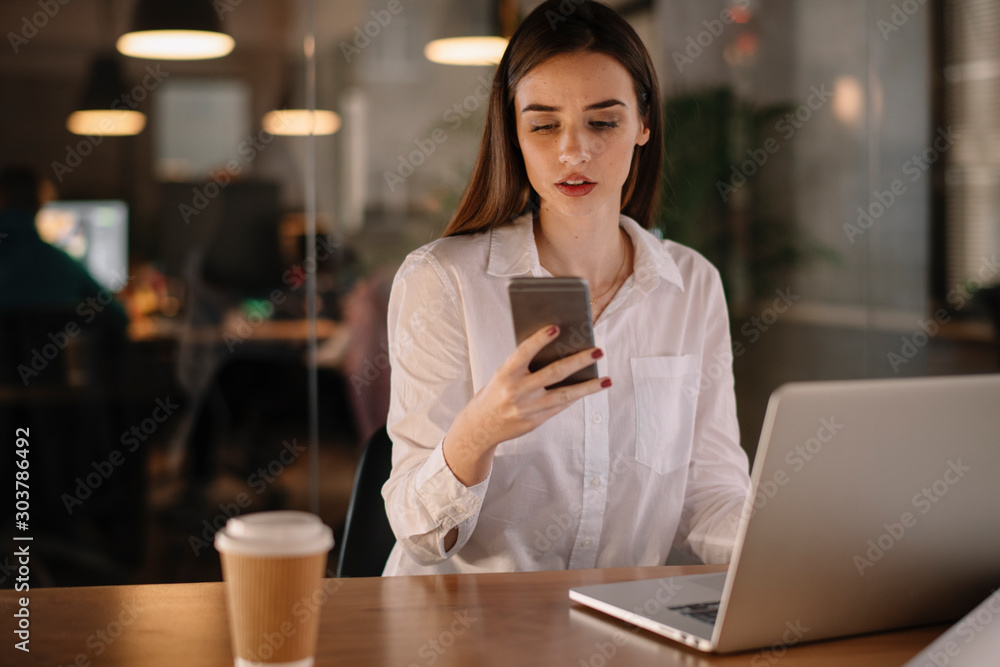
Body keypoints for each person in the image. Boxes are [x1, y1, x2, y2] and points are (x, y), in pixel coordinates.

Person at [381, 0, 750, 576]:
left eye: (602, 121)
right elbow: (418, 535)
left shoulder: (692, 284)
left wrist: (800, 547)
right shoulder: (443, 280)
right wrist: (479, 432)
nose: (573, 151)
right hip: (464, 631)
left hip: (618, 625)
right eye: (544, 124)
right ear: (515, 133)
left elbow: (711, 490)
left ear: (643, 124)